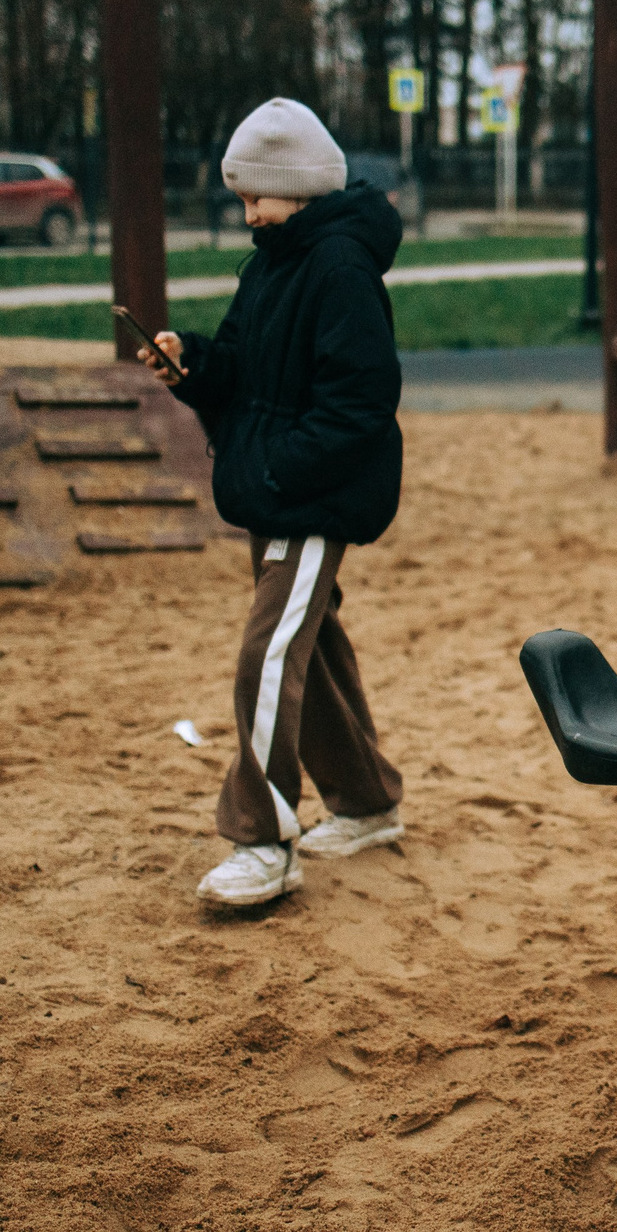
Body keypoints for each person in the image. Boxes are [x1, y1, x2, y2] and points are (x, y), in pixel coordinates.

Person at [136, 97, 409, 908]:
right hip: (278, 489)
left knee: (267, 655)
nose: (249, 211)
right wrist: (194, 365)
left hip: (312, 499)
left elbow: (360, 408)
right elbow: (249, 374)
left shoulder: (342, 269)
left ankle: (261, 837)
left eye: (259, 195)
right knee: (310, 644)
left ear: (301, 186)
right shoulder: (271, 264)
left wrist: (283, 475)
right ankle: (365, 801)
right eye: (242, 198)